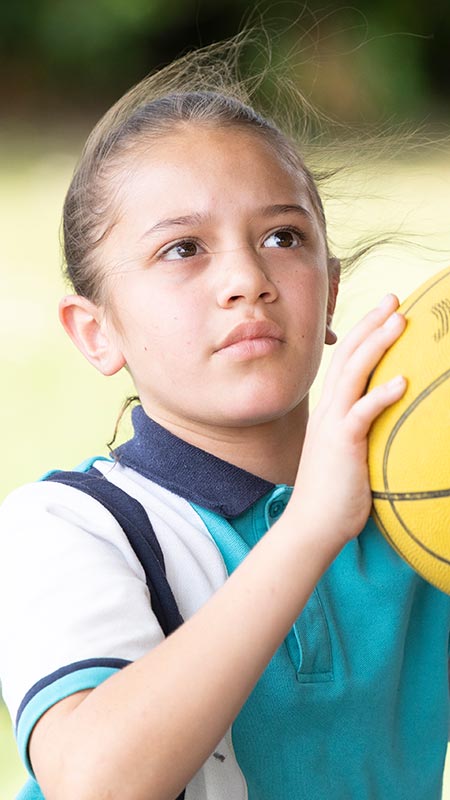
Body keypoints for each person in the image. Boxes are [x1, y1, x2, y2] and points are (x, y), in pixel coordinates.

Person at [1, 36, 449, 800]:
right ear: (95, 332)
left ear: (330, 291)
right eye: (183, 249)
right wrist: (309, 528)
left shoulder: (419, 503)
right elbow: (96, 783)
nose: (248, 278)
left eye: (283, 237)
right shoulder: (70, 526)